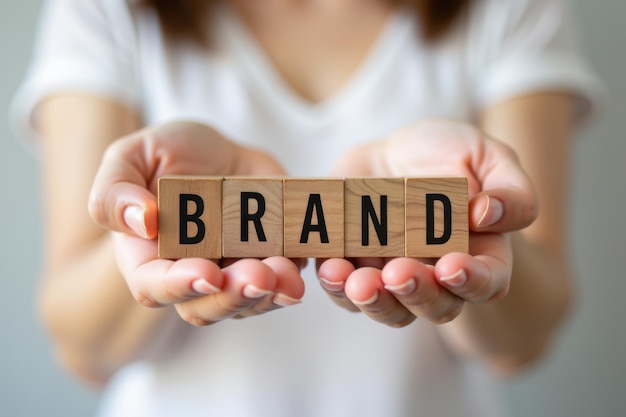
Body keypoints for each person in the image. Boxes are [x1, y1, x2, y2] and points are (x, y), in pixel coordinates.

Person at [12, 0, 599, 415]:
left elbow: (525, 342)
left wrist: (467, 229)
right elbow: (82, 349)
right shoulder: (107, 9)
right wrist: (167, 227)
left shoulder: (506, 8)